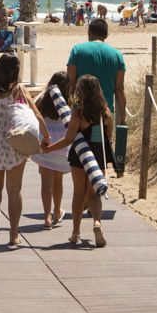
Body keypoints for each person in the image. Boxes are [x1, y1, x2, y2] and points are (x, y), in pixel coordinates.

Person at [0, 54, 50, 246]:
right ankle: (13, 235)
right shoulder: (17, 89)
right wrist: (46, 136)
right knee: (14, 189)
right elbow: (36, 113)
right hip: (14, 140)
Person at [40, 75, 112, 247]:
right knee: (94, 193)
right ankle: (97, 223)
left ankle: (75, 233)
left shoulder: (79, 111)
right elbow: (108, 137)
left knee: (79, 193)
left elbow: (69, 138)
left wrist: (48, 149)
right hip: (98, 155)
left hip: (80, 155)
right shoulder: (105, 111)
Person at [31, 71, 71, 229]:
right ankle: (56, 210)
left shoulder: (43, 98)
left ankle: (46, 216)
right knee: (58, 180)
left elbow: (34, 114)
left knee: (45, 182)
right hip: (62, 144)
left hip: (45, 143)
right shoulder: (70, 100)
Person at [67, 18, 126, 122]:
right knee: (105, 139)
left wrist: (68, 111)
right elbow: (119, 90)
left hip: (81, 113)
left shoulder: (77, 50)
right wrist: (123, 117)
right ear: (106, 35)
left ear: (89, 32)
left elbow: (70, 84)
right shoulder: (117, 55)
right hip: (106, 113)